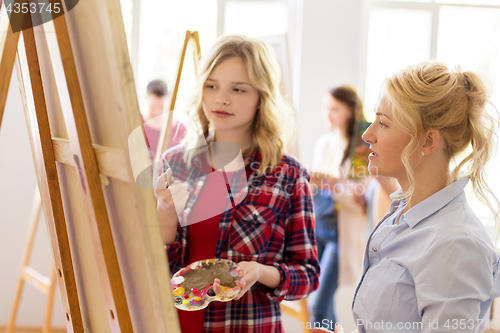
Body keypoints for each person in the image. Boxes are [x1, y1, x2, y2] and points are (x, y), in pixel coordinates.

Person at [317, 61, 500, 333]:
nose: (367, 135)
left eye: (383, 123)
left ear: (427, 141)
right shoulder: (399, 215)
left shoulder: (456, 245)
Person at [154, 35, 320, 333]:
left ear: (261, 98)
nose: (221, 98)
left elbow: (307, 276)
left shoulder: (288, 174)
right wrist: (166, 211)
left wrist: (261, 272)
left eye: (238, 89)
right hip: (173, 325)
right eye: (211, 85)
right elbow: (153, 267)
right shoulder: (174, 163)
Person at [308, 86, 366, 329]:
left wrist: (332, 185)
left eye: (334, 109)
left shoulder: (362, 146)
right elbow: (314, 189)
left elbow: (360, 198)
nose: (327, 114)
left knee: (317, 304)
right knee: (324, 299)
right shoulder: (325, 142)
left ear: (350, 111)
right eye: (325, 108)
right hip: (319, 225)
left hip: (341, 231)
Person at [142, 79, 186, 158]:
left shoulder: (180, 129)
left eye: (161, 107)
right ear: (146, 99)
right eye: (153, 107)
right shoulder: (137, 123)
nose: (157, 112)